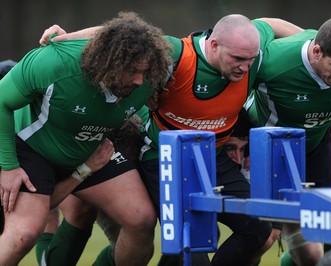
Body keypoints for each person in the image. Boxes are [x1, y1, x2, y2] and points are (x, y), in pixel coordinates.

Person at [38, 14, 303, 265]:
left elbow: (272, 23)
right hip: (163, 159)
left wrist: (313, 40)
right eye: (237, 59)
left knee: (259, 228)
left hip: (214, 157)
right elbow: (117, 34)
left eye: (250, 59)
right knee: (190, 242)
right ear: (213, 45)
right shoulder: (178, 53)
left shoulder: (250, 48)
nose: (245, 67)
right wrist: (66, 36)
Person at [0, 11, 171, 266]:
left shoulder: (149, 73)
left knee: (141, 220)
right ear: (109, 62)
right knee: (24, 233)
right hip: (32, 148)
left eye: (145, 73)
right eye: (133, 71)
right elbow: (1, 101)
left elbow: (188, 43)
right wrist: (9, 166)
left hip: (93, 148)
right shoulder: (54, 64)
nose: (139, 81)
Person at [244, 17, 331, 265]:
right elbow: (235, 87)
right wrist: (241, 142)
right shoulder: (273, 63)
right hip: (271, 150)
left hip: (316, 145)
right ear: (317, 51)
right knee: (266, 235)